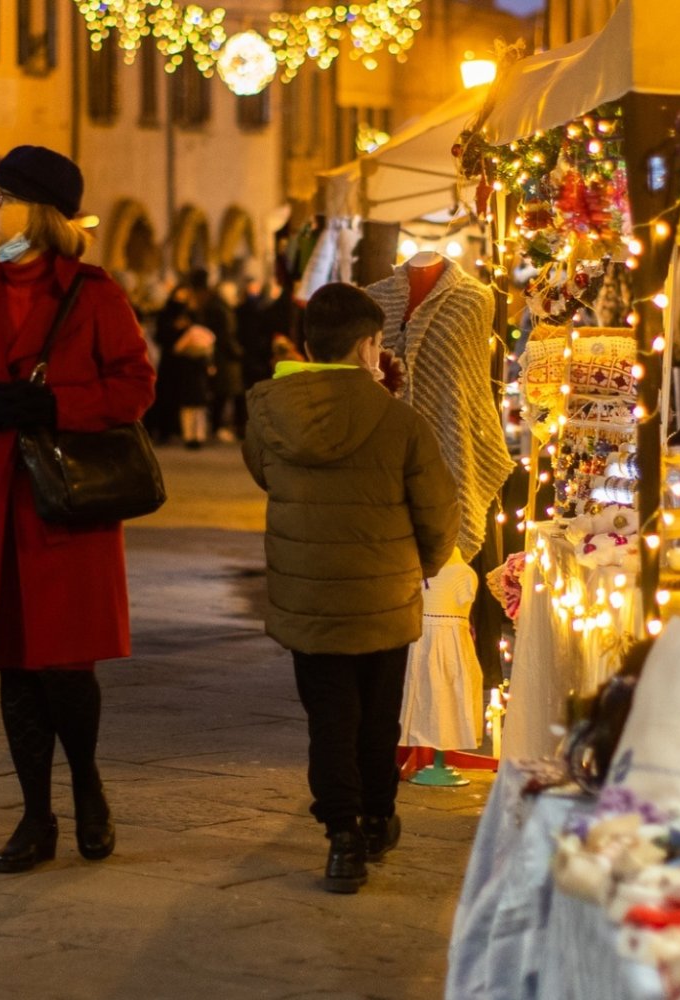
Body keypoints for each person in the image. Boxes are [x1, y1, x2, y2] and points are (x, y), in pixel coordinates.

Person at [0, 145, 155, 875]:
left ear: (42, 212)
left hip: (65, 506)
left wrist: (58, 404)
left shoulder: (94, 292)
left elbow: (135, 387)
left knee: (67, 666)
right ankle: (34, 814)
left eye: (1, 197)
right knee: (14, 666)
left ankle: (87, 786)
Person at [243, 282, 459, 894]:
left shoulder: (267, 410)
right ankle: (375, 818)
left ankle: (341, 839)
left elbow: (264, 474)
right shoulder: (399, 418)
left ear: (309, 345)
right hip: (383, 597)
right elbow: (438, 513)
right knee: (376, 717)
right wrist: (424, 562)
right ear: (370, 345)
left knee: (329, 718)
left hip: (308, 598)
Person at [150, 287, 214, 448]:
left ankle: (186, 433)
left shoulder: (193, 314)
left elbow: (201, 333)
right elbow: (160, 336)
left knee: (190, 400)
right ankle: (166, 430)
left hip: (189, 363)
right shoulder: (166, 314)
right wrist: (174, 329)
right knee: (169, 396)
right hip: (171, 362)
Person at [184, 269, 240, 441]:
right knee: (220, 393)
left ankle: (214, 426)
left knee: (219, 393)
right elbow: (224, 333)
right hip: (222, 356)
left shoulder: (211, 306)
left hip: (220, 355)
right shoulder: (217, 306)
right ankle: (216, 426)